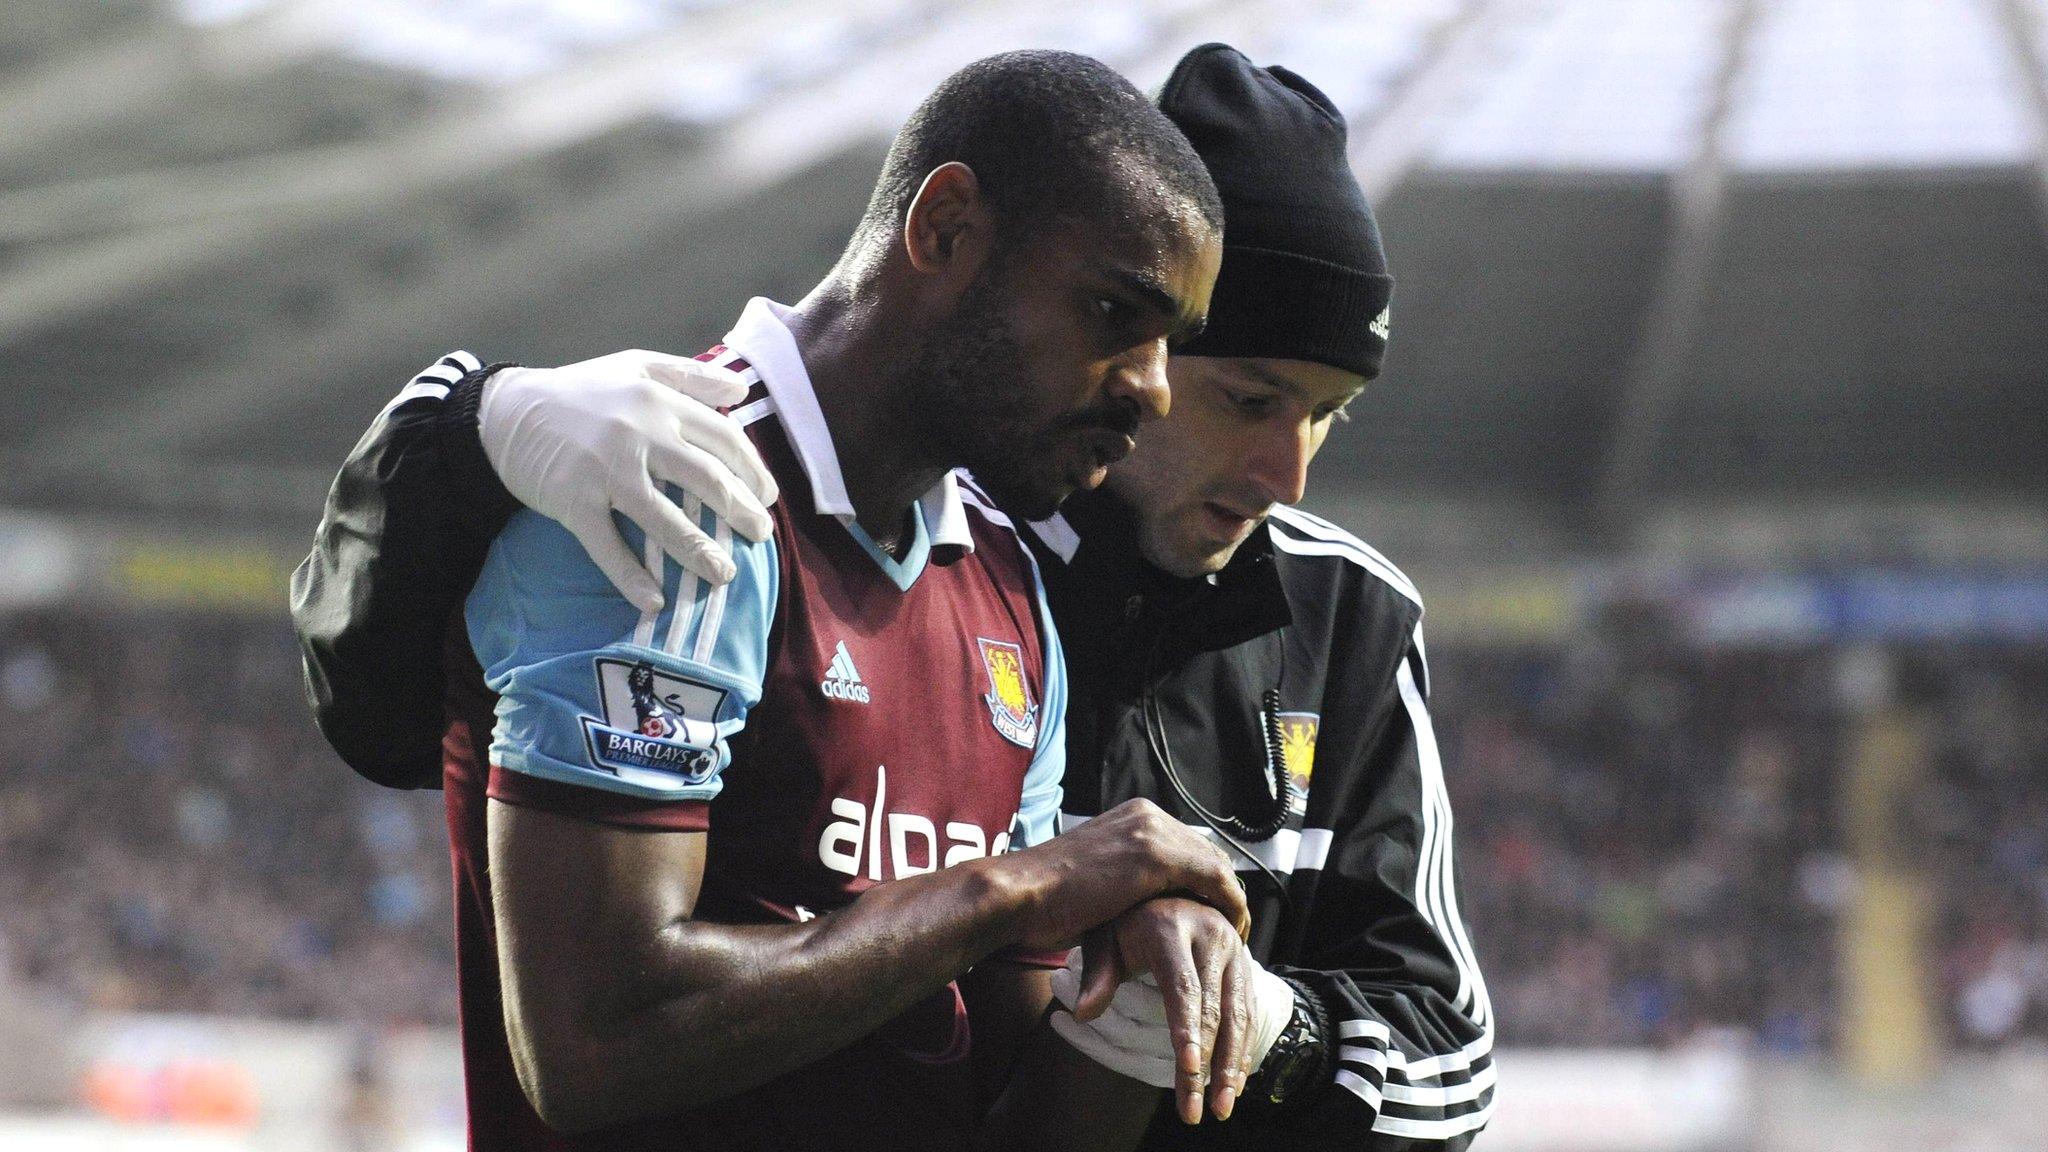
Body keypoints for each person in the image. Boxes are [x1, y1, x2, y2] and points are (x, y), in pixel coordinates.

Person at [296, 44, 1493, 1151]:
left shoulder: (1005, 583)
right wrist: (464, 417)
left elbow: (1013, 1100)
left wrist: (1165, 993)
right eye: (1119, 322)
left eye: (1327, 416)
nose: (1150, 391)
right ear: (946, 228)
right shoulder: (665, 491)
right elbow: (593, 1040)